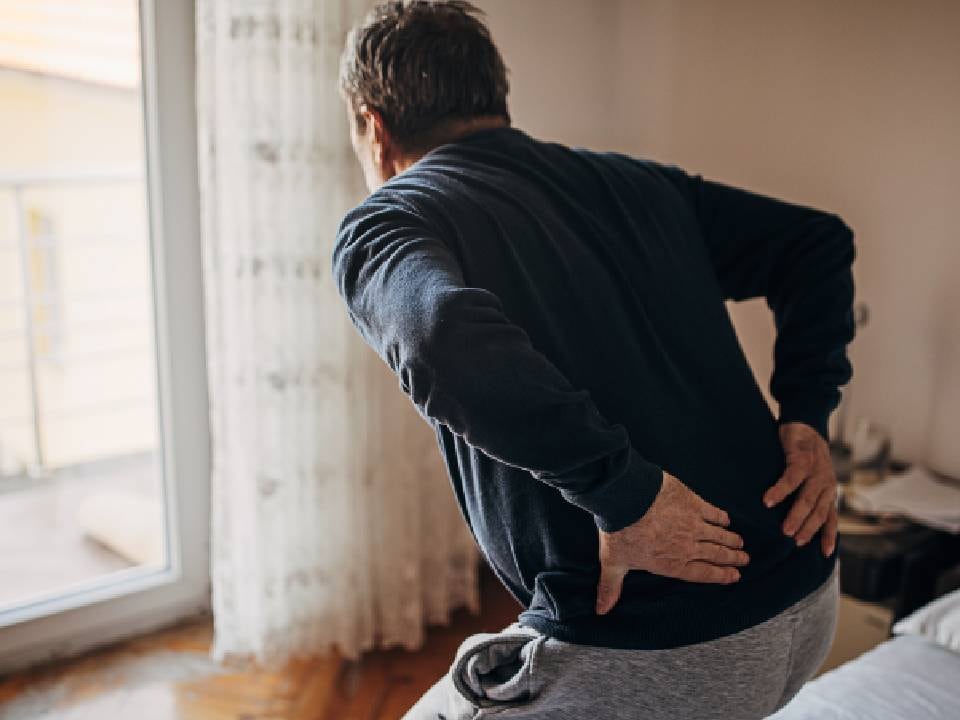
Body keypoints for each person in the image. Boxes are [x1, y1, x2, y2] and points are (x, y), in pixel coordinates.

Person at [332, 2, 855, 718]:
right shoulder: (638, 183)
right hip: (806, 595)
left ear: (373, 124)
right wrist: (807, 412)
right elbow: (816, 244)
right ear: (493, 99)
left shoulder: (387, 221)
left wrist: (625, 492)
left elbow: (436, 335)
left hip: (663, 646)